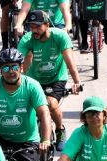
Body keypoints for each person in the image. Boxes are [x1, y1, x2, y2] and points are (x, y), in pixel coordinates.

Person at [18, 9, 82, 150]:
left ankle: (60, 130)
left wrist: (77, 82)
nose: (34, 30)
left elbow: (69, 60)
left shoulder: (60, 36)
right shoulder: (27, 39)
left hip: (56, 78)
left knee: (51, 104)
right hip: (35, 79)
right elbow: (19, 62)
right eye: (31, 26)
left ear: (47, 25)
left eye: (38, 26)